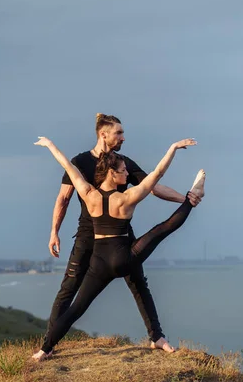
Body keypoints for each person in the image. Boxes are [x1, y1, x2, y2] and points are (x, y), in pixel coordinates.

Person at [32, 135, 206, 361]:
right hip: (124, 258)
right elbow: (157, 175)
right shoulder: (127, 198)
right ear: (112, 174)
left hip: (99, 263)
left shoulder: (88, 194)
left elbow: (67, 165)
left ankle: (44, 350)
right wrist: (172, 148)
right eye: (123, 171)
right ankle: (193, 199)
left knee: (75, 309)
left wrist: (49, 145)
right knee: (162, 229)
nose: (127, 174)